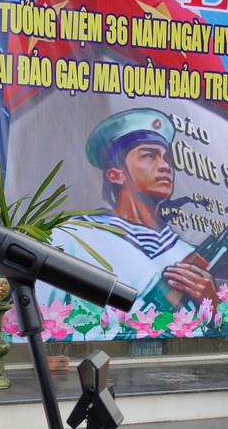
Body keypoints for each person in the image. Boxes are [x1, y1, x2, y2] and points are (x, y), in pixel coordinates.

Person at [42, 107, 216, 314]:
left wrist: (211, 303)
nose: (164, 166)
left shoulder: (186, 253)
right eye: (149, 156)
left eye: (167, 159)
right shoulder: (73, 238)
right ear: (115, 175)